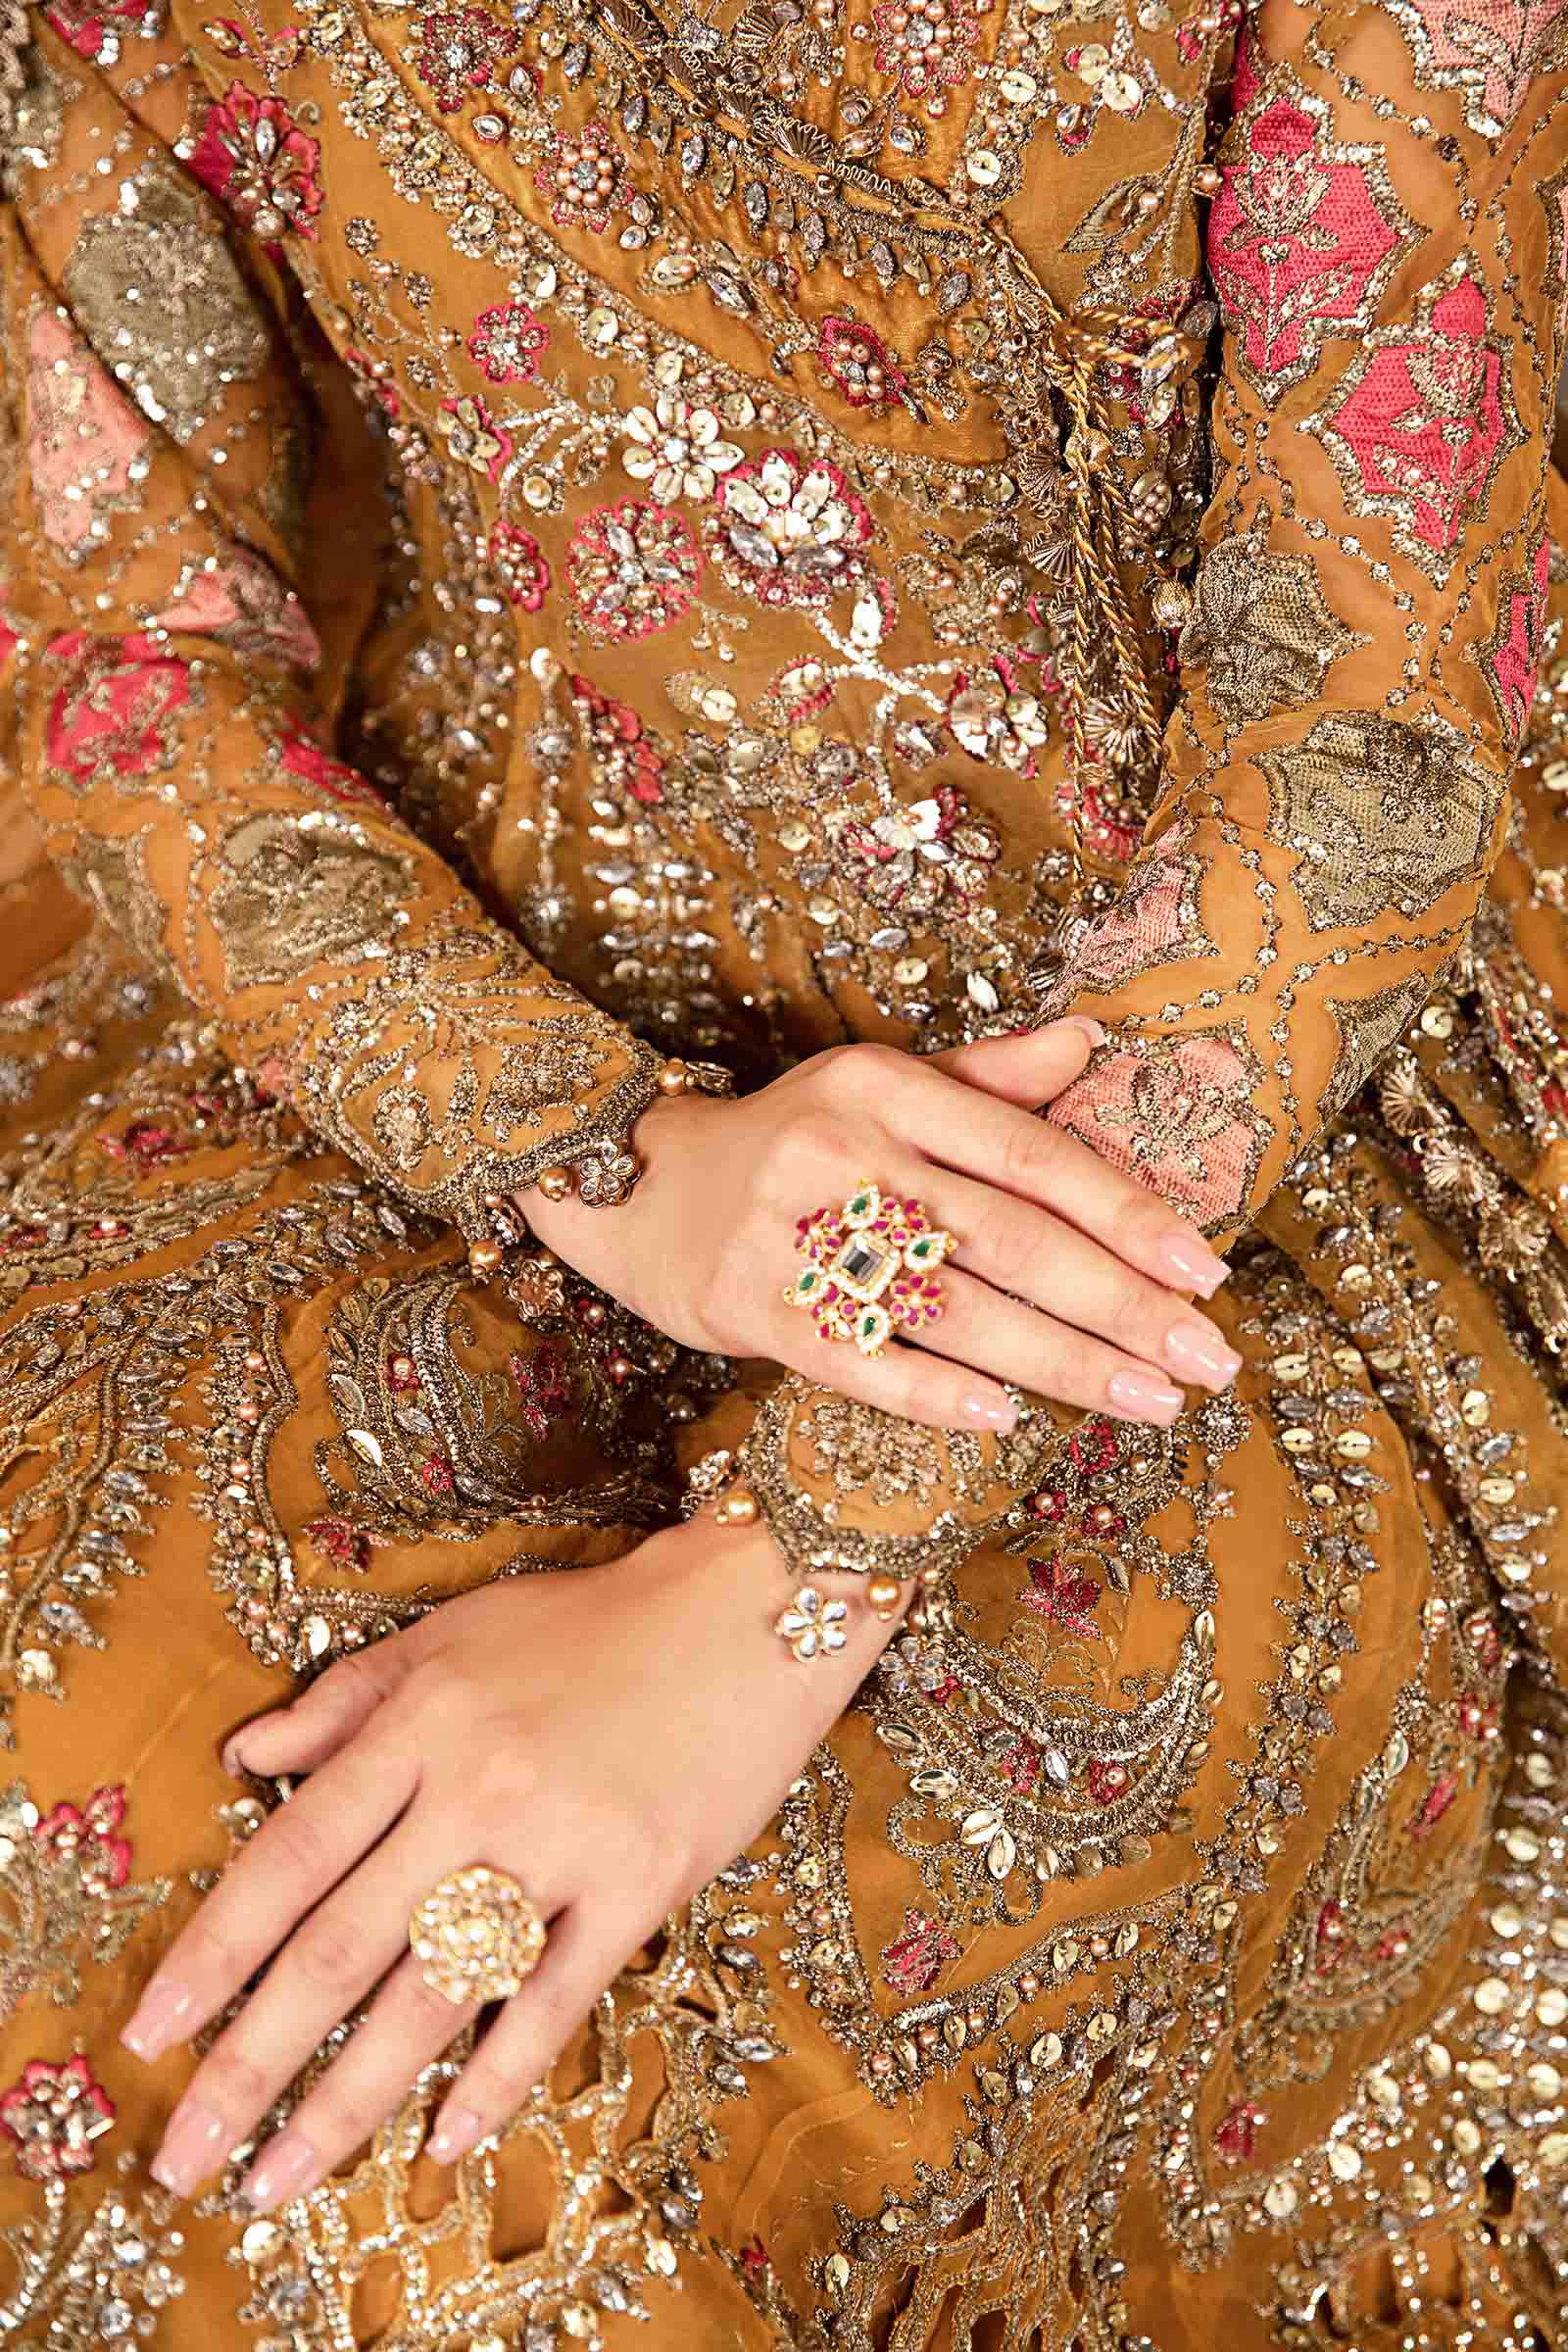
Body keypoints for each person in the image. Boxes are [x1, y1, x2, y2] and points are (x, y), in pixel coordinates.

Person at [2, 0, 1567, 2339]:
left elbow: (1364, 745)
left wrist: (788, 1572)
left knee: (527, 2147)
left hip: (1208, 1147)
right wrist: (611, 1156)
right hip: (446, 1061)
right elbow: (134, 670)